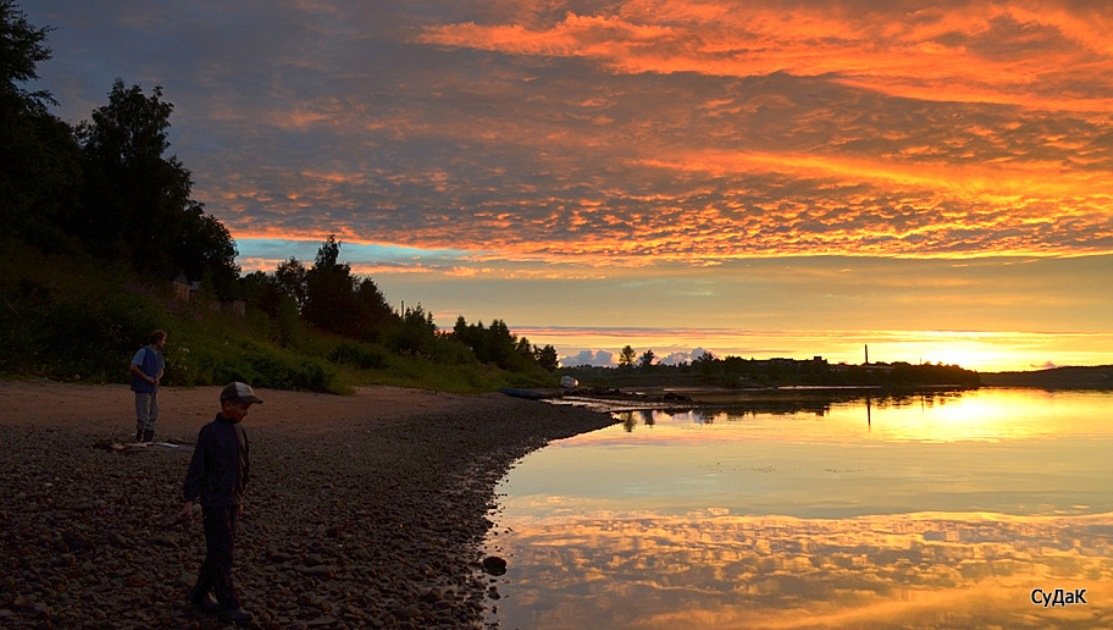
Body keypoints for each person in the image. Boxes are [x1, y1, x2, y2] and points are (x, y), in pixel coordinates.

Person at [179, 382, 262, 625]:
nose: (246, 411)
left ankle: (198, 594)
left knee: (218, 551)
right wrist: (189, 499)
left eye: (248, 407)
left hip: (232, 501)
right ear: (227, 405)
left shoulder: (240, 431)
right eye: (243, 407)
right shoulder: (210, 432)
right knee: (223, 553)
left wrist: (240, 497)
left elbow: (243, 467)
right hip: (214, 503)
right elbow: (197, 467)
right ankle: (230, 604)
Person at [128, 329, 167, 442]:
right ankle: (140, 433)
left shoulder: (159, 354)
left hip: (153, 386)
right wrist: (146, 377)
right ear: (158, 340)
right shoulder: (143, 351)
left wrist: (157, 377)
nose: (164, 343)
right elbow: (133, 367)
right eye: (163, 340)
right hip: (142, 385)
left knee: (154, 411)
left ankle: (148, 434)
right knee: (143, 412)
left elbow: (162, 369)